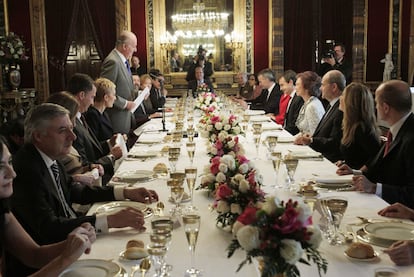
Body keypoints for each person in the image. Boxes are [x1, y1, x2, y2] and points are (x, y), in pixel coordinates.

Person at [11, 103, 159, 244]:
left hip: (75, 235)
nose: (73, 136)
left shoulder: (49, 156)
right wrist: (110, 220)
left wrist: (125, 192)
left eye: (71, 128)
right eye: (62, 130)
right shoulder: (26, 170)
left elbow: (77, 192)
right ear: (38, 136)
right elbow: (49, 228)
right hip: (52, 256)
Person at [0, 137, 96, 276]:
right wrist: (66, 258)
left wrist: (76, 241)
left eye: (9, 162)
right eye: (0, 167)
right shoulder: (29, 168)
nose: (12, 174)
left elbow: (34, 255)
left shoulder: (3, 211)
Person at [338, 80, 414, 208]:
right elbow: (380, 167)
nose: (375, 107)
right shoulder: (397, 130)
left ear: (385, 107)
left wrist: (375, 188)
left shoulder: (410, 138)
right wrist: (356, 173)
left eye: (377, 103)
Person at [67, 73, 122, 185]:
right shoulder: (71, 124)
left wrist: (108, 143)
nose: (92, 102)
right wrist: (111, 157)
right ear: (82, 95)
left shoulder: (81, 116)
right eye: (92, 97)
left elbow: (92, 147)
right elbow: (83, 163)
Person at [47, 91, 104, 187]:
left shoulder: (66, 138)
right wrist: (75, 179)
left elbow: (74, 169)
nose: (74, 123)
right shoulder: (55, 146)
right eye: (74, 116)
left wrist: (89, 168)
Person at [295, 70, 344, 162]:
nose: (320, 88)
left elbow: (335, 142)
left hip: (329, 159)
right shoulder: (331, 105)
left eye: (323, 85)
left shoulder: (340, 108)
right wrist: (310, 137)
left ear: (334, 87)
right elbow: (321, 133)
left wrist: (311, 140)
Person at [337, 82, 381, 169]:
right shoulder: (352, 125)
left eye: (343, 95)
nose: (340, 98)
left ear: (350, 103)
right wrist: (344, 162)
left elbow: (375, 159)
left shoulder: (361, 129)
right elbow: (356, 156)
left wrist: (357, 171)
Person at [101, 30, 137, 134]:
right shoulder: (113, 61)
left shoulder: (123, 61)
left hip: (125, 117)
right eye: (134, 46)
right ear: (125, 46)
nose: (135, 49)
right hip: (116, 117)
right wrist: (125, 104)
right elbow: (105, 91)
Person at [84, 77, 116, 142]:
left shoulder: (104, 113)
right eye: (114, 95)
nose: (115, 98)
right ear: (106, 97)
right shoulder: (92, 115)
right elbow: (94, 143)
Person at [294, 71, 325, 135]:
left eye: (297, 85)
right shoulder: (308, 103)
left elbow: (315, 133)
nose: (295, 88)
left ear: (306, 87)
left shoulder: (312, 106)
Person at [278, 70, 304, 135]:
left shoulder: (299, 98)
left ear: (290, 82)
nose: (280, 89)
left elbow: (295, 124)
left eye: (282, 85)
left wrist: (281, 132)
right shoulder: (291, 97)